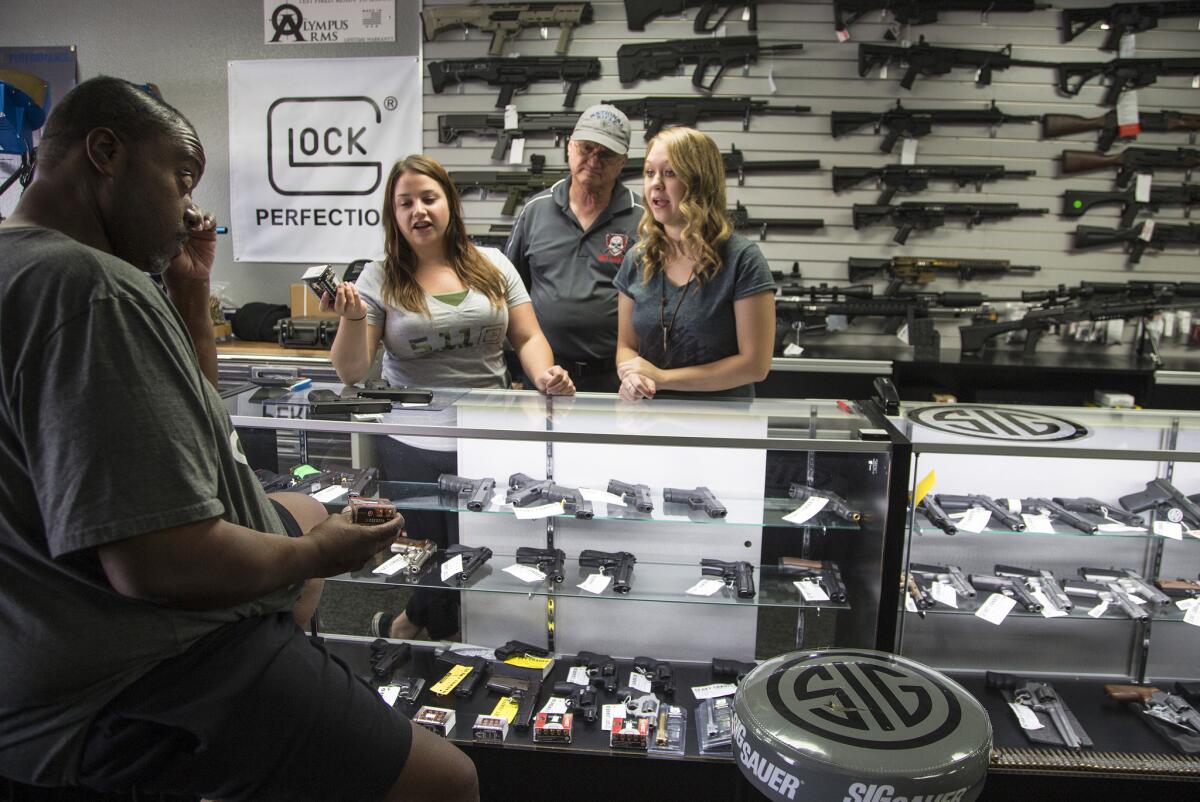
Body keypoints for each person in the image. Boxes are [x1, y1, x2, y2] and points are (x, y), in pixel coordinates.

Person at [0, 77, 478, 802]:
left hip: (51, 648)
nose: (191, 207)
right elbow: (156, 560)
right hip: (142, 670)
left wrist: (191, 294)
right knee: (446, 781)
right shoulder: (88, 286)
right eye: (179, 177)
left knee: (305, 506)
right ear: (105, 153)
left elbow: (192, 421)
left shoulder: (30, 265)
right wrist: (320, 556)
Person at [325, 154, 574, 641]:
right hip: (413, 439)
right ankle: (432, 637)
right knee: (437, 551)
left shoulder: (493, 264)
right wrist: (352, 318)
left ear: (449, 204)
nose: (418, 210)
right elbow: (352, 370)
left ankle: (413, 628)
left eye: (428, 198)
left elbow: (527, 337)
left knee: (488, 545)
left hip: (490, 433)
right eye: (405, 203)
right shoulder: (381, 276)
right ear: (393, 215)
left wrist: (546, 375)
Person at [614, 126, 776, 401]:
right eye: (650, 172)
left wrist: (663, 378)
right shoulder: (638, 258)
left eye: (670, 173)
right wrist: (633, 375)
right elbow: (626, 346)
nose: (655, 183)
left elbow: (755, 366)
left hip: (720, 428)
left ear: (700, 181)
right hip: (647, 422)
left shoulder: (742, 260)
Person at [505, 104, 642, 393]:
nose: (594, 161)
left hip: (617, 379)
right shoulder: (535, 211)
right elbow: (510, 290)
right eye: (586, 148)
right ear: (569, 147)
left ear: (623, 162)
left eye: (606, 154)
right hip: (545, 375)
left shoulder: (644, 220)